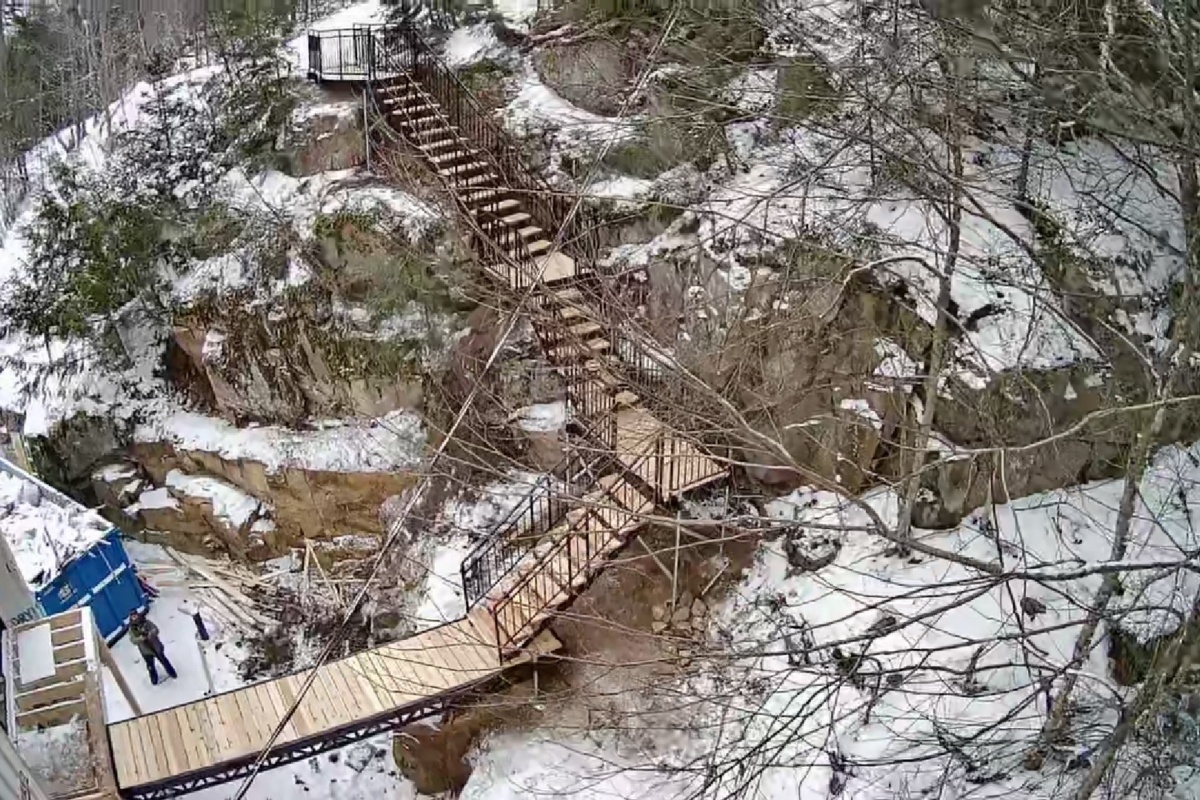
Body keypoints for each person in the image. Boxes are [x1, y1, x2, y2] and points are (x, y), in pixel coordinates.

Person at [129, 609, 177, 685]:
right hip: (146, 651)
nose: (134, 618)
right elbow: (133, 640)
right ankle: (154, 681)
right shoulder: (132, 629)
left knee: (164, 661)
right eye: (133, 616)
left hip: (155, 646)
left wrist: (151, 633)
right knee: (150, 666)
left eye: (135, 615)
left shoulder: (146, 622)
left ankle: (172, 674)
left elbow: (156, 629)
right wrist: (141, 638)